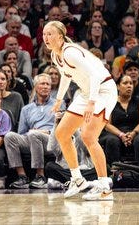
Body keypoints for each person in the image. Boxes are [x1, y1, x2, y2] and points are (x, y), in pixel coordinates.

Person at [44, 20, 119, 201]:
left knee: (88, 136)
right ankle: (78, 180)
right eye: (44, 34)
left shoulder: (71, 53)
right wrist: (59, 100)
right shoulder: (56, 55)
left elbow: (94, 75)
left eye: (50, 34)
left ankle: (104, 187)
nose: (46, 38)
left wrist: (92, 102)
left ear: (61, 37)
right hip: (87, 93)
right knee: (62, 133)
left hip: (103, 91)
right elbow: (66, 76)